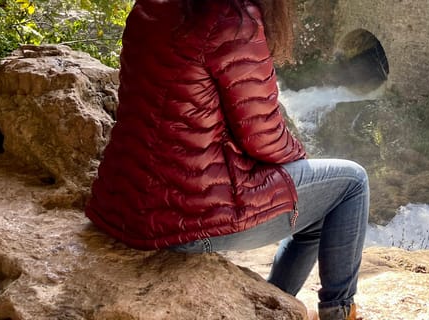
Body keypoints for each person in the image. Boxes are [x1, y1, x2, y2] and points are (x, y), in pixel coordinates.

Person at [85, 1, 367, 319]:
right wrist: (298, 163)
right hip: (186, 219)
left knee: (318, 205)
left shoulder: (151, 6)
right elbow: (263, 137)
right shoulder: (230, 19)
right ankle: (340, 312)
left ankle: (277, 304)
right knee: (352, 183)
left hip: (121, 205)